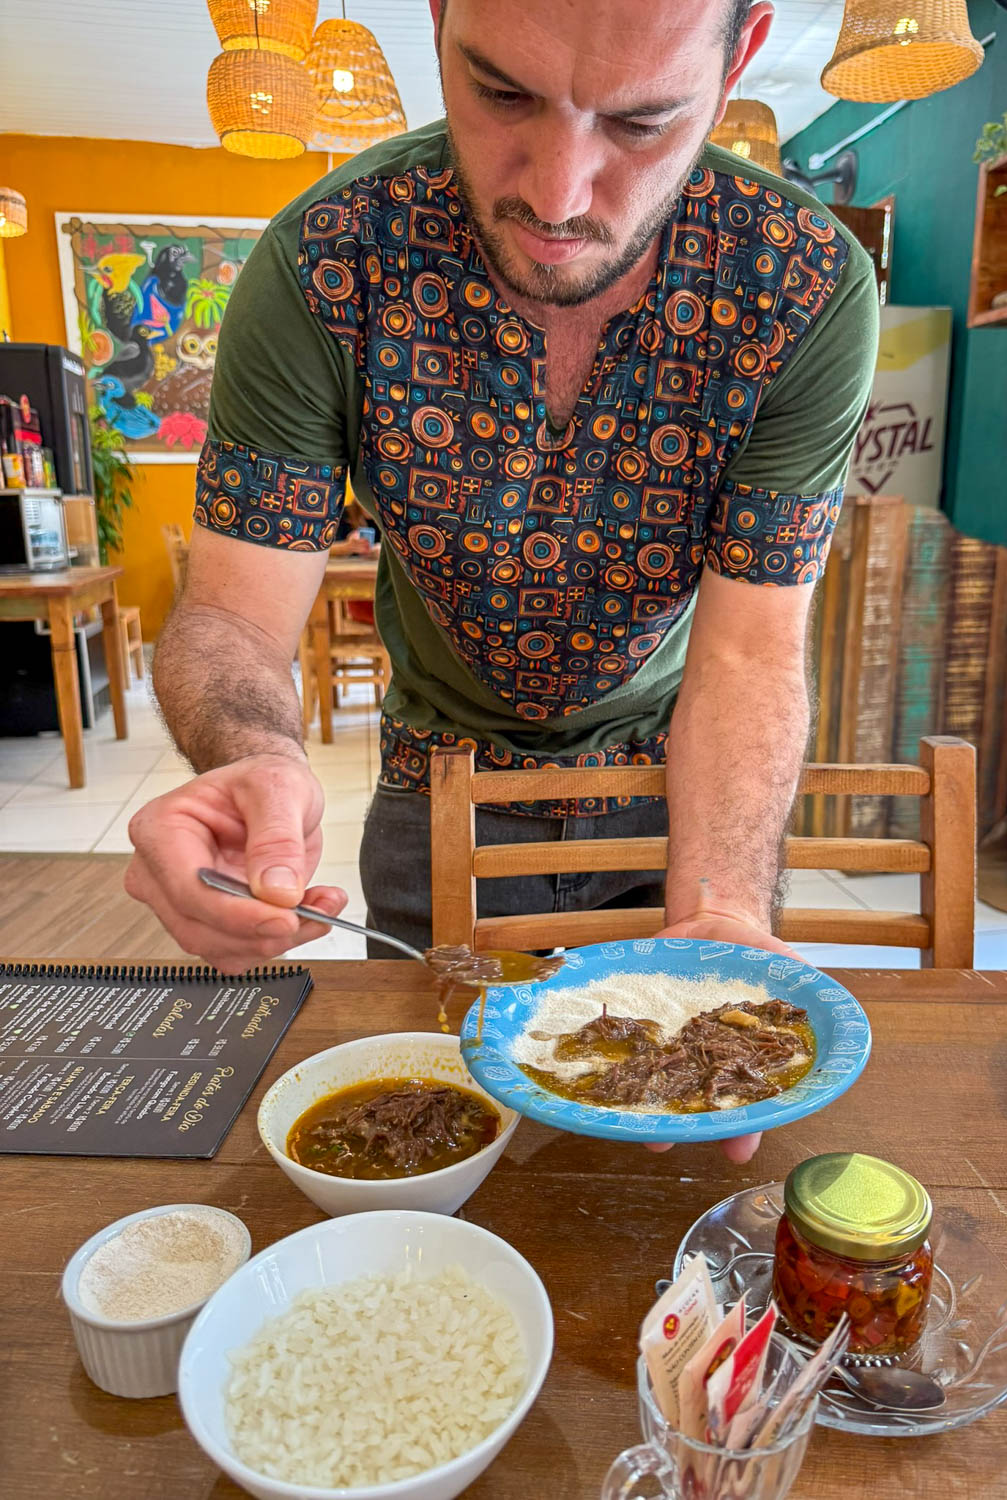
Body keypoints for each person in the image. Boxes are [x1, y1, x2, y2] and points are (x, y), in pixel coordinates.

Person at [125, 0, 877, 1163]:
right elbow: (230, 610)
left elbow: (748, 647)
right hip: (435, 795)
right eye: (502, 93)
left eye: (640, 122)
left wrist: (724, 905)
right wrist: (255, 757)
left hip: (677, 798)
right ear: (437, 19)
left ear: (738, 59)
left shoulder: (801, 284)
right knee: (428, 1147)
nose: (558, 194)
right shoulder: (328, 259)